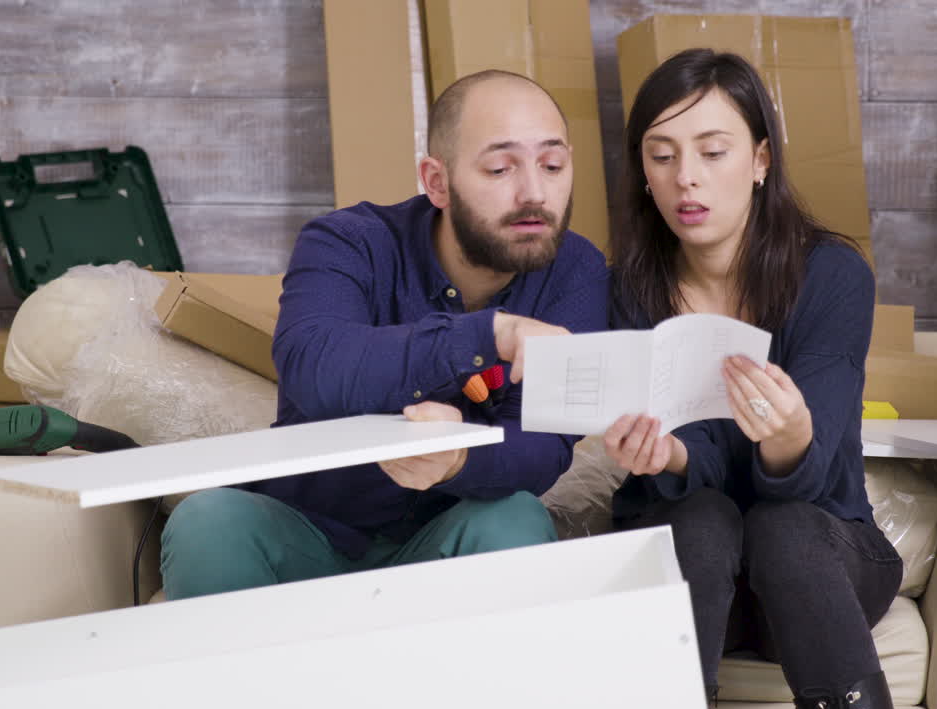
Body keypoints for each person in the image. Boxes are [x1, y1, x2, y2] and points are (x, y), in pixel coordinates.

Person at [160, 69, 610, 599]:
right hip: (310, 533)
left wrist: (459, 458)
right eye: (499, 168)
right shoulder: (347, 243)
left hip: (446, 543)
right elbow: (314, 367)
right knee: (208, 521)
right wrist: (487, 335)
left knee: (514, 519)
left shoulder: (576, 270)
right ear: (436, 181)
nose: (534, 192)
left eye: (553, 165)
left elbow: (546, 443)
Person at [604, 49, 902, 709]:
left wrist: (791, 439)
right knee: (704, 519)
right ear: (642, 172)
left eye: (713, 151)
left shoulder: (832, 276)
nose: (688, 180)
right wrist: (671, 456)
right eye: (662, 156)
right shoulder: (625, 290)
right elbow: (678, 457)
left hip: (820, 562)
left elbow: (815, 470)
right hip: (699, 574)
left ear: (761, 161)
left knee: (784, 528)